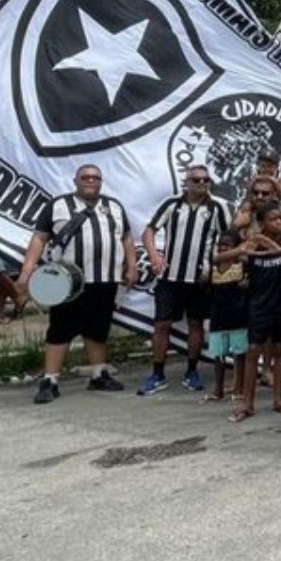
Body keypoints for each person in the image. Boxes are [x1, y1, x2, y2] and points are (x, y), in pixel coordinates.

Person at [19, 164, 137, 403]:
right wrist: (27, 269)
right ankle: (50, 380)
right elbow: (40, 238)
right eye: (86, 177)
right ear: (76, 180)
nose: (91, 180)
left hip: (105, 279)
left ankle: (98, 374)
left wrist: (132, 266)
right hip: (67, 282)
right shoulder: (58, 205)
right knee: (60, 329)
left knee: (98, 328)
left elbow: (126, 237)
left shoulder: (113, 206)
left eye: (96, 177)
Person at [137, 165, 230, 395]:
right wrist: (153, 255)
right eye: (197, 180)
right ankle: (157, 373)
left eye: (206, 180)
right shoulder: (172, 204)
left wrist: (214, 267)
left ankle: (192, 370)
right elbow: (149, 232)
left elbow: (227, 240)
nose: (202, 184)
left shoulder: (217, 207)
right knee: (162, 323)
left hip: (199, 277)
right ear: (186, 182)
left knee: (196, 324)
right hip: (170, 276)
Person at [222, 202, 281, 422]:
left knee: (280, 351)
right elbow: (220, 259)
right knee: (253, 351)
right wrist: (245, 248)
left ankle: (278, 401)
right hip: (258, 305)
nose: (279, 222)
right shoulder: (253, 243)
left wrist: (280, 249)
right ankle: (247, 404)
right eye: (273, 219)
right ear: (261, 222)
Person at [205, 231, 248, 403]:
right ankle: (218, 389)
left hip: (238, 316)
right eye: (220, 245)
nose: (222, 248)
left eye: (227, 245)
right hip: (218, 317)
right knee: (219, 355)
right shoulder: (213, 267)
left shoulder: (242, 266)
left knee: (239, 354)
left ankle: (239, 387)